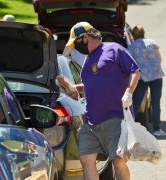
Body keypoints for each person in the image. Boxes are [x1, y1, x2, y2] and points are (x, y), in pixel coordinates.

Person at [60, 21, 140, 180]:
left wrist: (129, 92)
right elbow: (91, 84)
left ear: (86, 36)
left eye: (76, 42)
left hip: (116, 118)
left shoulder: (114, 49)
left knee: (118, 161)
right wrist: (72, 88)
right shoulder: (88, 60)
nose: (76, 47)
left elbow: (135, 71)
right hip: (91, 121)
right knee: (86, 159)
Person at [127, 24, 166, 136]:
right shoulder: (152, 43)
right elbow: (160, 58)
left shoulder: (132, 47)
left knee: (135, 102)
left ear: (133, 35)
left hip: (142, 78)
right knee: (155, 102)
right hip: (156, 76)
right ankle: (157, 129)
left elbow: (130, 64)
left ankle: (130, 127)